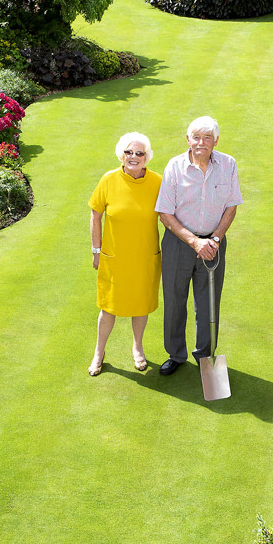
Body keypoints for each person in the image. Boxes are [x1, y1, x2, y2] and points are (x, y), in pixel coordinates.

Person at [154, 116, 243, 376]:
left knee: (209, 303)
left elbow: (231, 207)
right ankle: (176, 354)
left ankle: (206, 356)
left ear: (216, 140)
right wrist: (194, 241)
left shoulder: (228, 164)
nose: (201, 143)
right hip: (179, 243)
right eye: (196, 137)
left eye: (207, 138)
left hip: (213, 244)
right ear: (188, 139)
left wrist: (214, 239)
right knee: (174, 300)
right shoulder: (174, 166)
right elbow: (165, 213)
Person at [87, 132, 163, 376]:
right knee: (109, 307)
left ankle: (137, 347)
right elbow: (95, 215)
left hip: (145, 257)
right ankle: (99, 352)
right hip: (115, 257)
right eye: (129, 152)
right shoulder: (109, 179)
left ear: (146, 157)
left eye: (139, 153)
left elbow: (170, 215)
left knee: (140, 305)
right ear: (121, 154)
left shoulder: (157, 182)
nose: (133, 157)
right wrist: (96, 250)